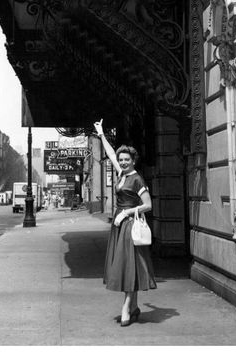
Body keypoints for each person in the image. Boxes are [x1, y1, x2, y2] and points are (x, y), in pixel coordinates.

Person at [93, 119, 156, 327]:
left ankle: (126, 307)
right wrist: (101, 134)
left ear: (133, 160)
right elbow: (110, 154)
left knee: (128, 266)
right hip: (119, 226)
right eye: (121, 159)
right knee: (129, 266)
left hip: (129, 224)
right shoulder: (121, 174)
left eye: (126, 159)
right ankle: (135, 306)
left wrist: (127, 212)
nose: (122, 162)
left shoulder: (137, 179)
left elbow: (148, 205)